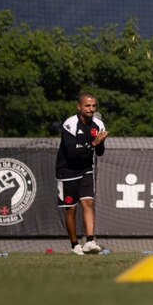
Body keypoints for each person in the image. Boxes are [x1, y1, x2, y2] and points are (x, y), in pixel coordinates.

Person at [56, 92, 107, 255]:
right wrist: (93, 142)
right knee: (71, 209)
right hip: (67, 170)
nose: (91, 109)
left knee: (88, 203)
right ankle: (74, 244)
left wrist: (100, 143)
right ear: (79, 107)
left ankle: (90, 241)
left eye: (94, 106)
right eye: (87, 105)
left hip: (86, 169)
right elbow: (72, 153)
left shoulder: (98, 125)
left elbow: (99, 153)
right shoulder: (70, 124)